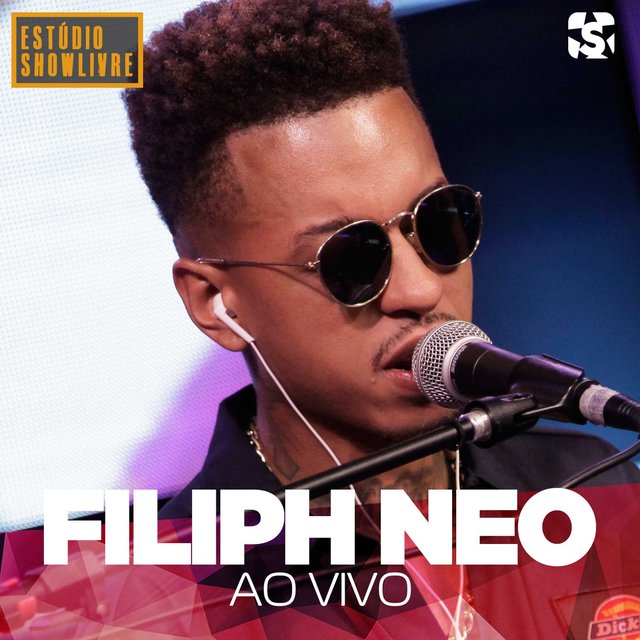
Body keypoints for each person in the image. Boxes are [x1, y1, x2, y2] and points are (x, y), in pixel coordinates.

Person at [124, 0, 639, 520]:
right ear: (215, 302)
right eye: (352, 258)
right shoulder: (172, 567)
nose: (420, 290)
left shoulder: (592, 488)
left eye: (438, 220)